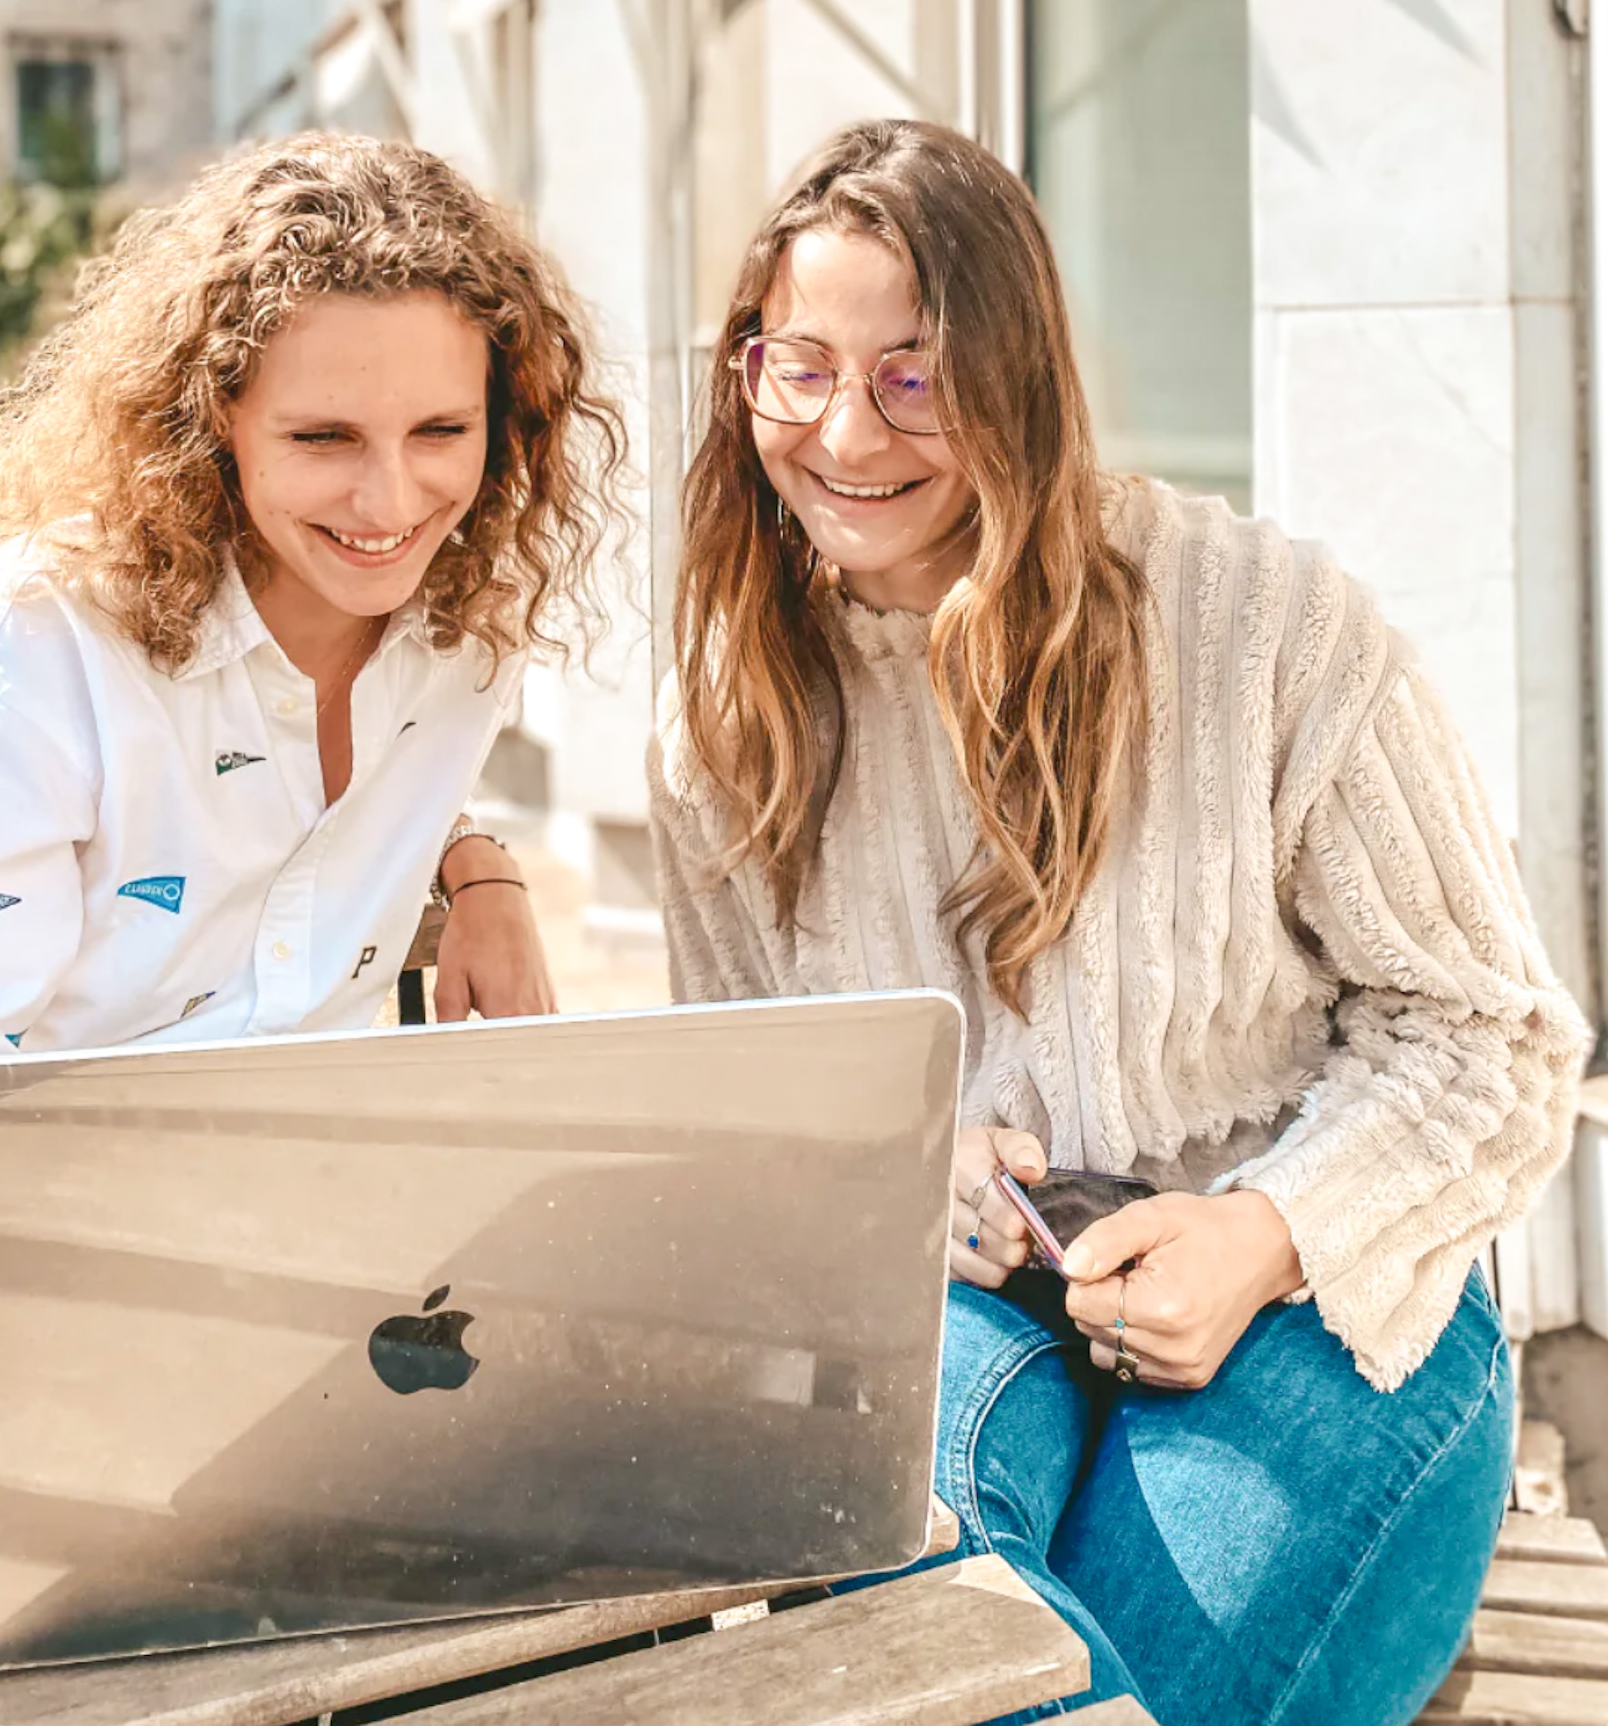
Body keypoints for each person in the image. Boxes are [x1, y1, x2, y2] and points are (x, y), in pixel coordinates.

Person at [649, 119, 1588, 1725]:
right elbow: (761, 1105)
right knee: (907, 1641)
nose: (844, 430)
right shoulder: (725, 724)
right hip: (947, 1310)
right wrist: (892, 1163)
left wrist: (1261, 1229)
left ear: (1013, 378)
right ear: (745, 376)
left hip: (1318, 1304)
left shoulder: (1262, 629)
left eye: (914, 374)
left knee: (1121, 1685)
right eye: (797, 367)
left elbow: (1492, 1036)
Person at [0, 131, 624, 1359]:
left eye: (440, 429)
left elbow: (323, 792)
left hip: (264, 1307)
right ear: (216, 410)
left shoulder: (455, 628)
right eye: (324, 439)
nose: (391, 503)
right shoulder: (35, 650)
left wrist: (475, 864)